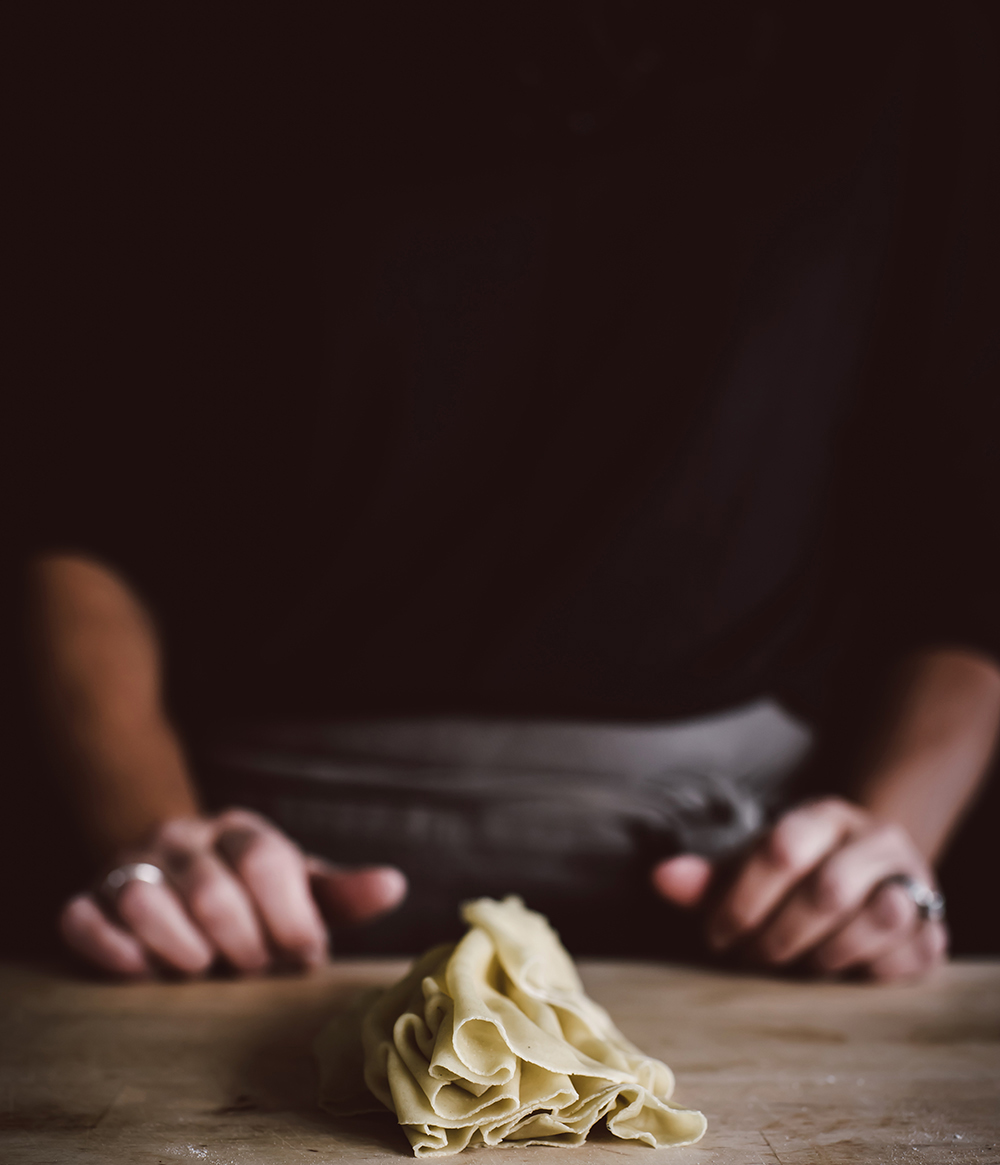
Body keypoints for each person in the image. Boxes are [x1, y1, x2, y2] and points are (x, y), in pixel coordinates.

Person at [17, 3, 1000, 981]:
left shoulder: (912, 44)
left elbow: (967, 543)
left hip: (741, 896)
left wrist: (879, 856)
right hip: (253, 881)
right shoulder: (156, 39)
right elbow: (75, 492)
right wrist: (154, 843)